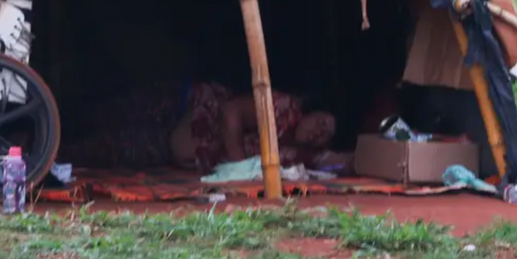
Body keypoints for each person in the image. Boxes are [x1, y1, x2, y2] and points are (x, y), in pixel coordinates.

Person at [61, 80, 337, 173]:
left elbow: (338, 162)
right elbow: (231, 112)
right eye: (322, 122)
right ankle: (37, 121)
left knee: (102, 150)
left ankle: (32, 147)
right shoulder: (284, 108)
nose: (319, 132)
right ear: (312, 109)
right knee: (102, 114)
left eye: (325, 136)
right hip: (178, 107)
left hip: (172, 145)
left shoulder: (292, 149)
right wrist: (240, 166)